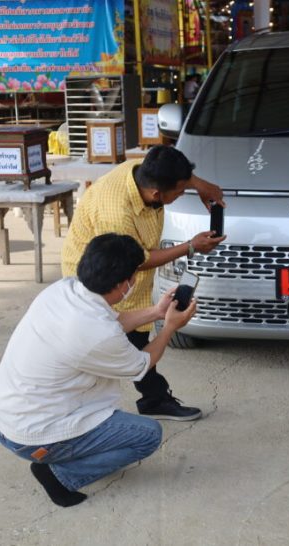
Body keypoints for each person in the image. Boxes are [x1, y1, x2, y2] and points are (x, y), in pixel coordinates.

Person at [0, 234, 198, 507]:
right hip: (33, 437)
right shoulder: (97, 333)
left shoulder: (63, 290)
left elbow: (111, 324)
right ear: (125, 283)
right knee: (148, 435)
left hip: (6, 419)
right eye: (135, 274)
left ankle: (61, 456)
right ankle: (59, 474)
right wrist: (170, 327)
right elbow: (143, 364)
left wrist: (158, 313)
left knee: (113, 418)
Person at [61, 145, 225, 421]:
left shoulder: (141, 170)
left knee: (133, 336)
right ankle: (149, 399)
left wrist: (200, 184)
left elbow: (169, 164)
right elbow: (136, 260)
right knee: (126, 345)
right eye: (181, 190)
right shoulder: (116, 210)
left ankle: (153, 397)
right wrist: (191, 246)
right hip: (101, 277)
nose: (184, 193)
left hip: (128, 280)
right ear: (158, 194)